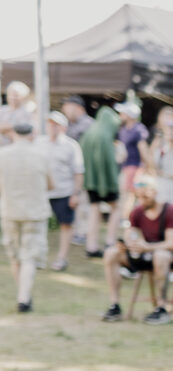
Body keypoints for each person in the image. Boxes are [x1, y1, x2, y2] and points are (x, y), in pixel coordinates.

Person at [100, 176, 173, 325]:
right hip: (143, 255)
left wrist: (148, 247)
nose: (141, 200)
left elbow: (172, 244)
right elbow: (131, 234)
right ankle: (115, 305)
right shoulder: (137, 212)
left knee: (160, 256)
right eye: (139, 196)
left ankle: (162, 308)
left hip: (169, 257)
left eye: (145, 196)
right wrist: (127, 245)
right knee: (111, 253)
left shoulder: (171, 210)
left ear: (155, 193)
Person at [0, 122, 53, 312]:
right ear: (31, 134)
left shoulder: (3, 155)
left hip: (10, 210)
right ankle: (24, 297)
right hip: (34, 212)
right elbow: (51, 184)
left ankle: (24, 296)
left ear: (13, 134)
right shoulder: (41, 155)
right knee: (29, 256)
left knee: (16, 256)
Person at [42, 112, 86, 272]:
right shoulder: (40, 142)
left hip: (64, 192)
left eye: (56, 124)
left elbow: (78, 172)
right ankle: (40, 257)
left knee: (66, 225)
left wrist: (75, 194)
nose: (52, 127)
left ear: (63, 127)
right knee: (39, 224)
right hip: (43, 193)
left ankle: (62, 258)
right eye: (50, 124)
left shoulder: (71, 146)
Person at [79, 106, 121, 256]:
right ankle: (110, 242)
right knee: (116, 207)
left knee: (94, 209)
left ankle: (91, 246)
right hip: (107, 181)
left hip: (91, 180)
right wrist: (112, 180)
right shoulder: (104, 135)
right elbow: (109, 162)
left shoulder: (89, 133)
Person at [115, 103, 151, 225]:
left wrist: (148, 167)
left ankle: (127, 218)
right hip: (125, 166)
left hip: (135, 166)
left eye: (124, 112)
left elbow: (143, 149)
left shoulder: (138, 130)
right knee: (125, 192)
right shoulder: (123, 129)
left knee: (131, 193)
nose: (121, 114)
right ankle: (125, 217)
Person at [0, 82, 36, 146]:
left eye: (16, 95)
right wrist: (14, 128)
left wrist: (5, 130)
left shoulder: (27, 113)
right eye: (10, 95)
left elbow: (28, 135)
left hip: (18, 149)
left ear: (23, 97)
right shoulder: (2, 110)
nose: (13, 98)